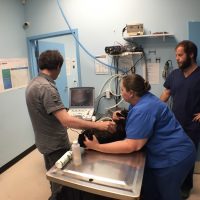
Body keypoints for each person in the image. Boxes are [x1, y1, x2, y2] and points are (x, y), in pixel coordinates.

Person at [84, 74, 196, 200]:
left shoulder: (143, 109)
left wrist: (97, 146)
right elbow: (139, 120)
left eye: (122, 90)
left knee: (167, 195)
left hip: (174, 157)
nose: (120, 93)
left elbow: (132, 145)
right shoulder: (141, 100)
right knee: (151, 191)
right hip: (165, 154)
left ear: (131, 93)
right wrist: (121, 116)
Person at [25, 50, 115, 200]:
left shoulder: (33, 83)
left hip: (43, 142)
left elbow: (46, 111)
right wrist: (98, 125)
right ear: (58, 66)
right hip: (55, 145)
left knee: (53, 176)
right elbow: (66, 121)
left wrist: (66, 112)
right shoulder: (47, 88)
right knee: (62, 185)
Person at [160, 40, 200, 199]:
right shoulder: (175, 74)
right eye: (176, 55)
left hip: (193, 126)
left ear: (191, 55)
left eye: (180, 55)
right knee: (173, 155)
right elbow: (166, 94)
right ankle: (174, 182)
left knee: (187, 157)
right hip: (174, 124)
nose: (177, 58)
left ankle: (186, 186)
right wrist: (152, 107)